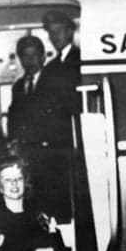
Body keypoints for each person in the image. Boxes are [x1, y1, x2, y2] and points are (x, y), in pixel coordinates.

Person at [0, 154, 46, 251]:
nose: (14, 183)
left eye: (19, 178)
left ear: (25, 183)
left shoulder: (38, 219)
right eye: (8, 180)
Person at [39, 10, 81, 149]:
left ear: (69, 32)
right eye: (51, 32)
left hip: (77, 132)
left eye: (58, 31)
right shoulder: (50, 67)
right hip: (57, 136)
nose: (54, 36)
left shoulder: (81, 59)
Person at [7, 35, 49, 146]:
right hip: (25, 149)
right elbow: (13, 119)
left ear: (43, 57)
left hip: (49, 150)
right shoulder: (18, 87)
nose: (30, 60)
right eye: (25, 55)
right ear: (20, 59)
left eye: (34, 55)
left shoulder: (53, 82)